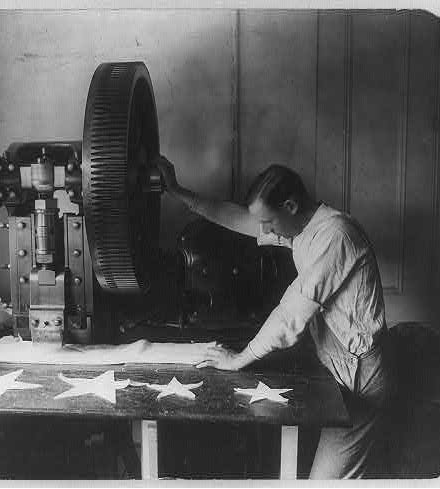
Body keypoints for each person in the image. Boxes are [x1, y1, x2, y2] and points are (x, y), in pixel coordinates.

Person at [155, 155, 396, 479]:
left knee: (324, 483)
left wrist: (240, 358)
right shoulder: (302, 227)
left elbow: (290, 315)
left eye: (269, 223)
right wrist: (179, 192)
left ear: (291, 206)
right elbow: (235, 217)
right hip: (336, 362)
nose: (264, 232)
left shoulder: (334, 236)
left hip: (359, 375)